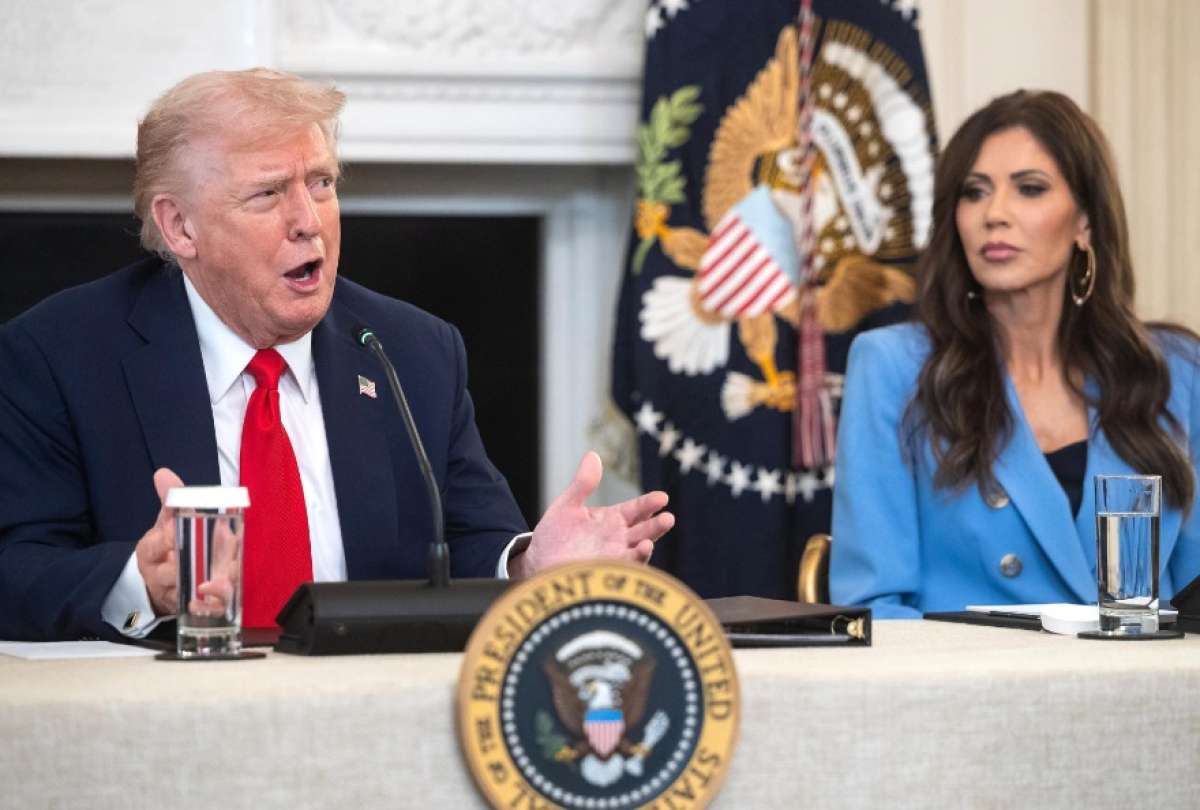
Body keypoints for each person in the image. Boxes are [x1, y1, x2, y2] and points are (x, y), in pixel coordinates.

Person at [0, 68, 673, 642]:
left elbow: (464, 538)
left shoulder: (409, 351)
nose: (309, 220)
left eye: (321, 183)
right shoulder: (61, 355)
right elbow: (16, 570)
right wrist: (139, 585)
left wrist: (526, 565)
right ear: (180, 226)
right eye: (268, 193)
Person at [829, 90, 1200, 619]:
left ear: (1084, 222)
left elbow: (1194, 607)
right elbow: (872, 609)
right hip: (969, 694)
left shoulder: (1174, 370)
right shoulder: (891, 365)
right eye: (974, 193)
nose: (994, 215)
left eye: (1029, 189)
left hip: (1142, 694)